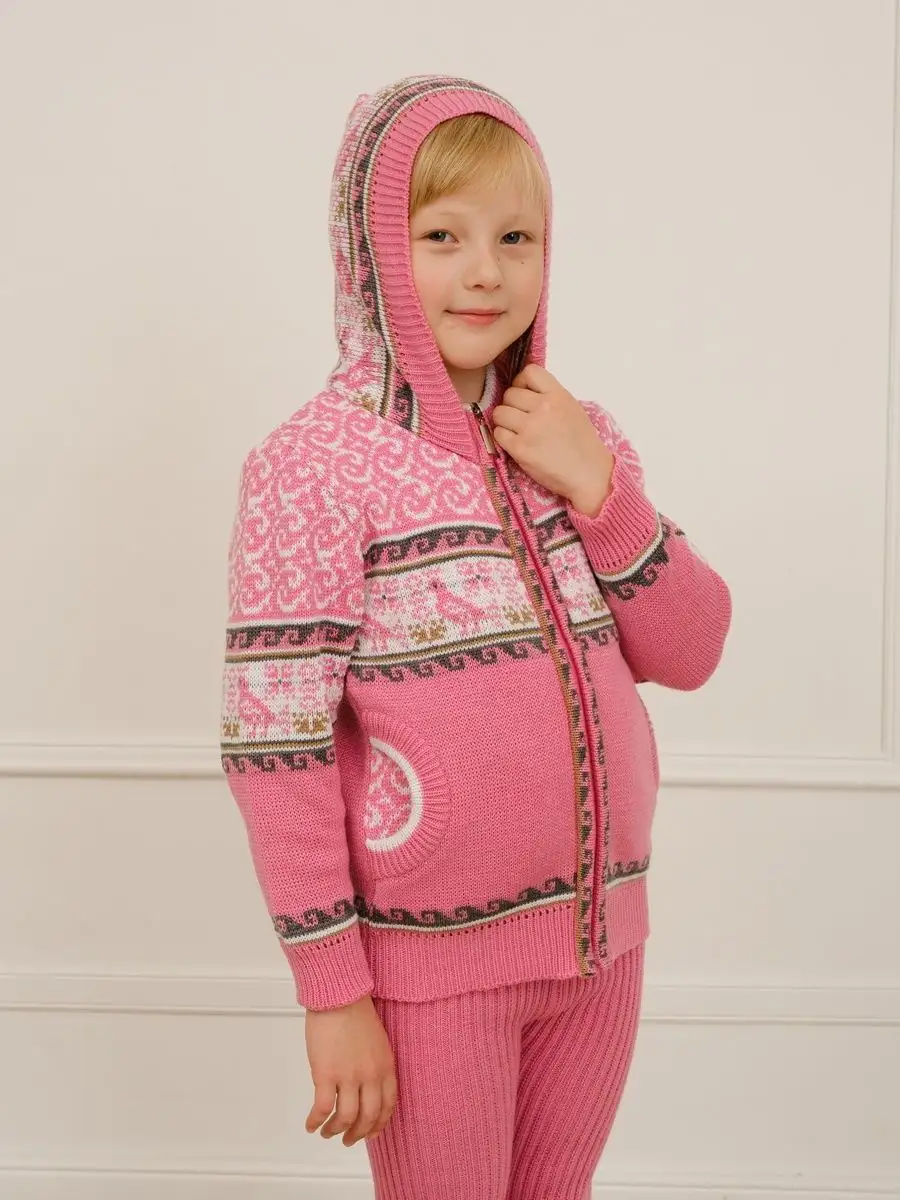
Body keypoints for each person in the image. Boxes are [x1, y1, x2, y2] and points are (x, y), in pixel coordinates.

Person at [219, 74, 732, 1200]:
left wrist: (601, 490)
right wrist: (333, 992)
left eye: (515, 237)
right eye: (442, 236)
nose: (486, 270)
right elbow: (275, 747)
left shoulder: (578, 437)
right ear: (370, 255)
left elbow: (692, 651)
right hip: (427, 969)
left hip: (601, 948)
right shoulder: (313, 465)